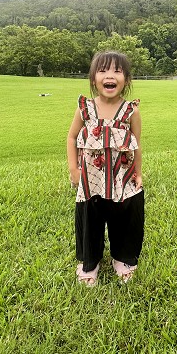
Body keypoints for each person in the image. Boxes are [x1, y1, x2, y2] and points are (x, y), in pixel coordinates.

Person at [67, 51, 143, 286]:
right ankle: (90, 262)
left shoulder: (131, 112)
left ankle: (122, 258)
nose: (110, 76)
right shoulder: (85, 109)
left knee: (126, 219)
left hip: (123, 178)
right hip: (91, 178)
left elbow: (137, 144)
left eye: (117, 71)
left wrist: (139, 172)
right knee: (90, 219)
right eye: (103, 70)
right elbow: (71, 138)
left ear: (126, 80)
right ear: (93, 79)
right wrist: (73, 169)